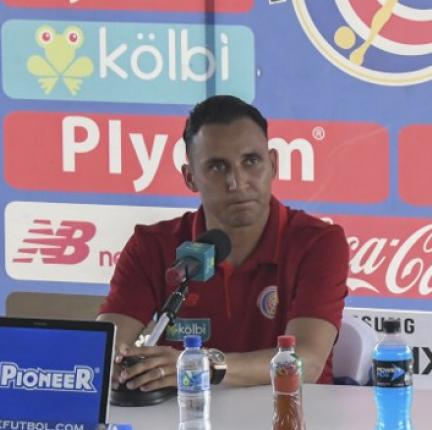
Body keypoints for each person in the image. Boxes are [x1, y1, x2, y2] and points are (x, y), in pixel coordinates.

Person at [98, 95, 348, 391]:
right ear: (190, 178)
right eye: (218, 167)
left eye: (251, 162)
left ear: (273, 165)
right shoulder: (151, 246)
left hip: (293, 421)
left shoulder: (318, 243)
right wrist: (121, 365)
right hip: (184, 421)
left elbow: (306, 361)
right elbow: (103, 349)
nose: (237, 181)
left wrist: (202, 365)